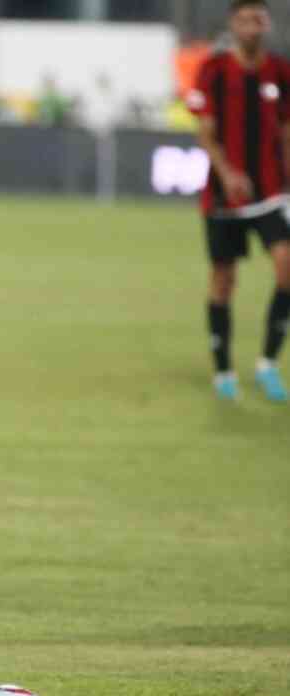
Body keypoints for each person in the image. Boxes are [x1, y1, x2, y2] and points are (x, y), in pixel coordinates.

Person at [187, 0, 290, 402]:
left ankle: (267, 363)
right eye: (245, 19)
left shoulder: (280, 71)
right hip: (224, 194)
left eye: (258, 19)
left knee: (286, 265)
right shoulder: (214, 70)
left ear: (267, 24)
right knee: (223, 278)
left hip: (271, 191)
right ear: (233, 24)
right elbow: (205, 132)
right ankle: (224, 370)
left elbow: (286, 130)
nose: (252, 26)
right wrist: (229, 173)